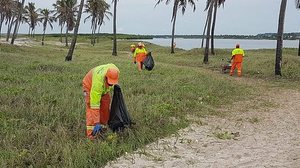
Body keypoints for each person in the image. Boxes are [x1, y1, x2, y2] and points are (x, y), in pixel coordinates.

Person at [82, 63, 120, 139]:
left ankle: (102, 128)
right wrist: (96, 122)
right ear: (106, 77)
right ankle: (91, 135)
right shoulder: (98, 83)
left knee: (105, 107)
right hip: (89, 86)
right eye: (110, 82)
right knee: (91, 108)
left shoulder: (116, 71)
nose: (111, 84)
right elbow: (94, 105)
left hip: (103, 89)